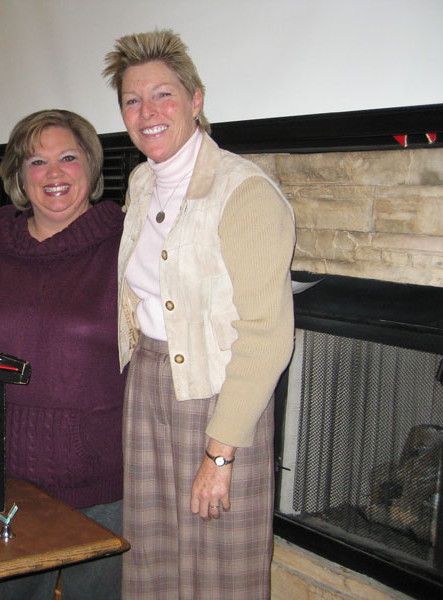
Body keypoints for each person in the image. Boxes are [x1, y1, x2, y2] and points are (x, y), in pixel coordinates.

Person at [103, 30, 296, 599]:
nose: (147, 112)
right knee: (152, 553)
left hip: (219, 396)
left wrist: (220, 452)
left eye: (162, 95)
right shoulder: (142, 182)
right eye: (132, 101)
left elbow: (265, 338)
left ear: (196, 100)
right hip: (149, 383)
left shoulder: (245, 193)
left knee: (217, 565)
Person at [0, 109, 126, 600]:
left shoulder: (127, 248)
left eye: (68, 157)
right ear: (19, 178)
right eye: (37, 162)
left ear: (91, 169)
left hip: (101, 484)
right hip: (8, 480)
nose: (54, 174)